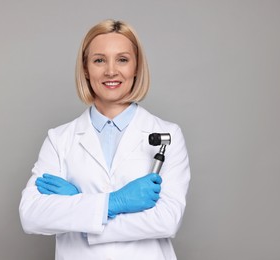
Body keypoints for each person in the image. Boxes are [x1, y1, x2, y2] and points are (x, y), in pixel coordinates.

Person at [19, 19, 190, 260]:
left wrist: (79, 208)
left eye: (122, 59)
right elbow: (32, 214)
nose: (111, 71)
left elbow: (166, 221)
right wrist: (114, 202)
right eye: (99, 60)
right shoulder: (59, 139)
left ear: (136, 68)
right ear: (86, 69)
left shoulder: (168, 134)